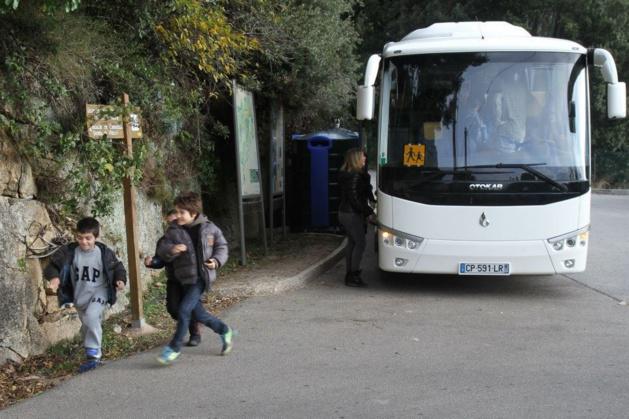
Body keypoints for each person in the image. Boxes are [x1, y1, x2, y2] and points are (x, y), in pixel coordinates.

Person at [155, 191, 233, 365]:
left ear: (193, 212)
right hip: (183, 279)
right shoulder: (173, 230)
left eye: (182, 212)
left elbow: (222, 247)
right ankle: (224, 330)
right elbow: (162, 248)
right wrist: (172, 250)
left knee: (184, 310)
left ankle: (173, 349)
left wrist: (216, 261)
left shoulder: (210, 228)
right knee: (200, 315)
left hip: (200, 279)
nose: (178, 216)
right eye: (176, 211)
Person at [44, 217, 126, 373]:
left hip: (100, 291)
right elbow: (52, 266)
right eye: (80, 238)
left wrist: (120, 280)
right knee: (87, 323)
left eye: (88, 238)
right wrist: (55, 278)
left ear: (96, 237)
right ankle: (91, 353)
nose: (84, 242)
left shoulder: (104, 253)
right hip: (79, 296)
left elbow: (118, 268)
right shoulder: (69, 252)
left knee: (91, 317)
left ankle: (94, 355)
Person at [144, 209, 202, 347]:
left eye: (175, 221)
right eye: (169, 222)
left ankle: (195, 333)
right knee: (173, 308)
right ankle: (185, 324)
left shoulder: (191, 237)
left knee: (189, 307)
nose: (172, 225)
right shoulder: (164, 241)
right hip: (174, 279)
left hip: (190, 279)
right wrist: (152, 262)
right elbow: (160, 259)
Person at [338, 148, 374, 287]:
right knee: (360, 243)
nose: (365, 159)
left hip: (345, 213)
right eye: (363, 157)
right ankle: (353, 275)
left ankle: (350, 275)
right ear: (356, 159)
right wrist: (368, 212)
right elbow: (355, 199)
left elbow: (362, 192)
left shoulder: (348, 174)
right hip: (351, 214)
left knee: (352, 243)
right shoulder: (355, 175)